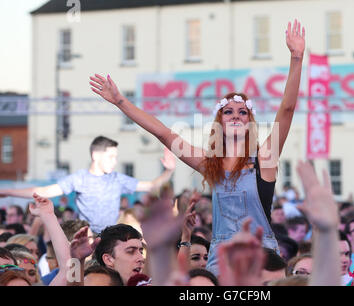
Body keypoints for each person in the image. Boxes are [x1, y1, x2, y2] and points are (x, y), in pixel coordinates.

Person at [90, 19, 306, 276]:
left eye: (242, 112)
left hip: (262, 263)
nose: (236, 115)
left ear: (250, 122)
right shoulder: (209, 163)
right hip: (221, 264)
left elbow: (288, 109)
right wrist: (121, 101)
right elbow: (164, 133)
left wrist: (296, 58)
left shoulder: (264, 159)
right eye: (228, 112)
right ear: (220, 123)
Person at [0, 136, 176, 234]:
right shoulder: (80, 178)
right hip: (86, 236)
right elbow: (43, 191)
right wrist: (8, 191)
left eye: (116, 157)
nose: (114, 162)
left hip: (111, 236)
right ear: (95, 155)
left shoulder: (117, 179)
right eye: (111, 157)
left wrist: (168, 172)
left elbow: (151, 185)